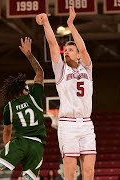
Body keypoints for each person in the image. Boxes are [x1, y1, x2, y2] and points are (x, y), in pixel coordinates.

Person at [0, 37, 46, 180]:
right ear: (22, 89)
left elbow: (7, 131)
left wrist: (8, 148)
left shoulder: (9, 107)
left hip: (20, 142)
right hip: (37, 146)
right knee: (29, 178)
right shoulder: (34, 97)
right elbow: (40, 73)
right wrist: (29, 55)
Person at [36, 6, 96, 180]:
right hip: (67, 124)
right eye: (66, 51)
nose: (66, 52)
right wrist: (46, 22)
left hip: (86, 123)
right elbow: (53, 45)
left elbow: (83, 49)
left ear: (78, 55)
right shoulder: (61, 70)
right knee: (69, 171)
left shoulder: (87, 69)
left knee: (89, 171)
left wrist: (71, 23)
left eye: (70, 49)